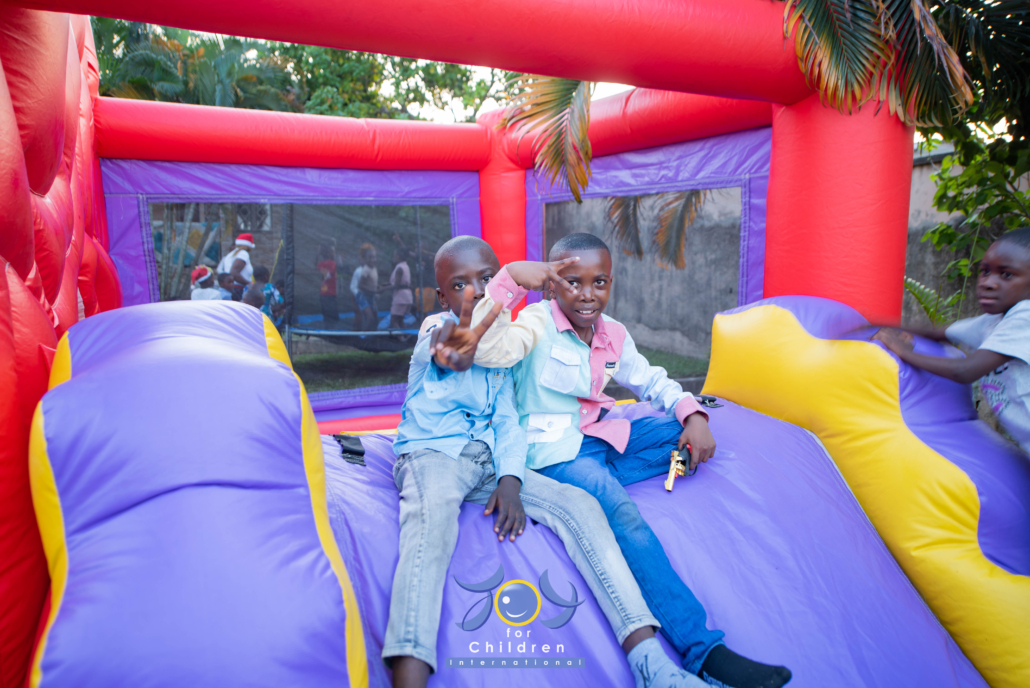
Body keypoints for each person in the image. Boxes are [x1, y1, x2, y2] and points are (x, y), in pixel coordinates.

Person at [430, 233, 792, 688]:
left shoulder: (612, 334)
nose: (587, 294)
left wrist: (693, 415)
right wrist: (508, 280)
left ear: (610, 283)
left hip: (598, 437)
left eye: (598, 282)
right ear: (550, 285)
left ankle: (610, 473)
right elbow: (485, 348)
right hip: (553, 453)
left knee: (678, 434)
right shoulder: (534, 323)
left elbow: (650, 380)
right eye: (572, 281)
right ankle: (704, 651)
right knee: (622, 513)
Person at [386, 235, 707, 688]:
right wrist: (491, 301)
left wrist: (511, 479)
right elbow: (453, 350)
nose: (475, 292)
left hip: (493, 459)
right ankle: (409, 670)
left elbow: (506, 418)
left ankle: (649, 661)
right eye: (460, 285)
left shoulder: (509, 342)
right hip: (434, 454)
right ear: (442, 297)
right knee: (430, 526)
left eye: (486, 279)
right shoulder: (437, 329)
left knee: (583, 505)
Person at [874, 227, 1030, 455]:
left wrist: (903, 351)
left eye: (1006, 275)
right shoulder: (995, 321)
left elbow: (965, 371)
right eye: (985, 271)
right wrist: (868, 323)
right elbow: (938, 333)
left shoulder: (1025, 316)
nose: (988, 282)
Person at [217, 233, 255, 301]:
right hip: (239, 290)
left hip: (234, 289)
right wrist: (250, 283)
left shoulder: (231, 254)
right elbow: (233, 272)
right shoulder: (243, 253)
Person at [386, 247, 414, 330]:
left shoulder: (399, 268)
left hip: (400, 298)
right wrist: (385, 284)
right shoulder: (405, 266)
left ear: (398, 256)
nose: (393, 257)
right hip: (407, 297)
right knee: (400, 320)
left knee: (393, 320)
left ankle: (400, 337)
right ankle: (406, 336)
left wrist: (383, 289)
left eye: (394, 255)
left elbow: (397, 285)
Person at [354, 243, 379, 330]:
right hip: (363, 297)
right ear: (365, 259)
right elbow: (360, 285)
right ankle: (363, 336)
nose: (372, 259)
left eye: (374, 257)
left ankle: (373, 334)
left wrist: (381, 288)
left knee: (375, 319)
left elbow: (372, 284)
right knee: (370, 318)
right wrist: (374, 291)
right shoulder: (366, 269)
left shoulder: (374, 269)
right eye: (370, 257)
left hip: (371, 296)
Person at [317, 244, 340, 323]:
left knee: (327, 318)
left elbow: (317, 267)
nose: (334, 254)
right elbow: (326, 275)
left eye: (334, 252)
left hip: (324, 294)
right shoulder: (331, 263)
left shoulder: (322, 263)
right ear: (328, 253)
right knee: (332, 318)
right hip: (329, 295)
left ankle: (328, 328)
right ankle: (330, 329)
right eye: (332, 252)